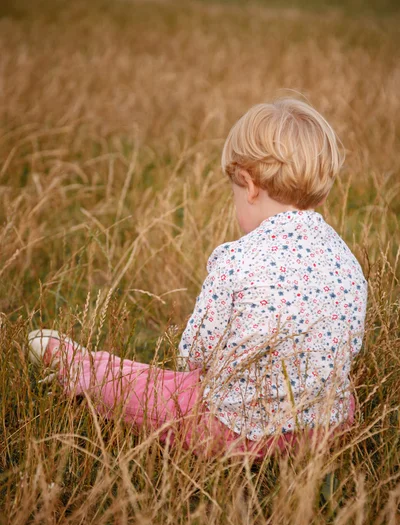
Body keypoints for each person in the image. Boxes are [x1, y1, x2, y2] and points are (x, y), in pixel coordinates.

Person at [28, 98, 367, 458]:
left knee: (156, 389)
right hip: (326, 430)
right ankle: (85, 363)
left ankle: (77, 366)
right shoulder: (346, 260)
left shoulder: (237, 259)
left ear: (250, 186)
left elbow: (195, 356)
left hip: (236, 433)